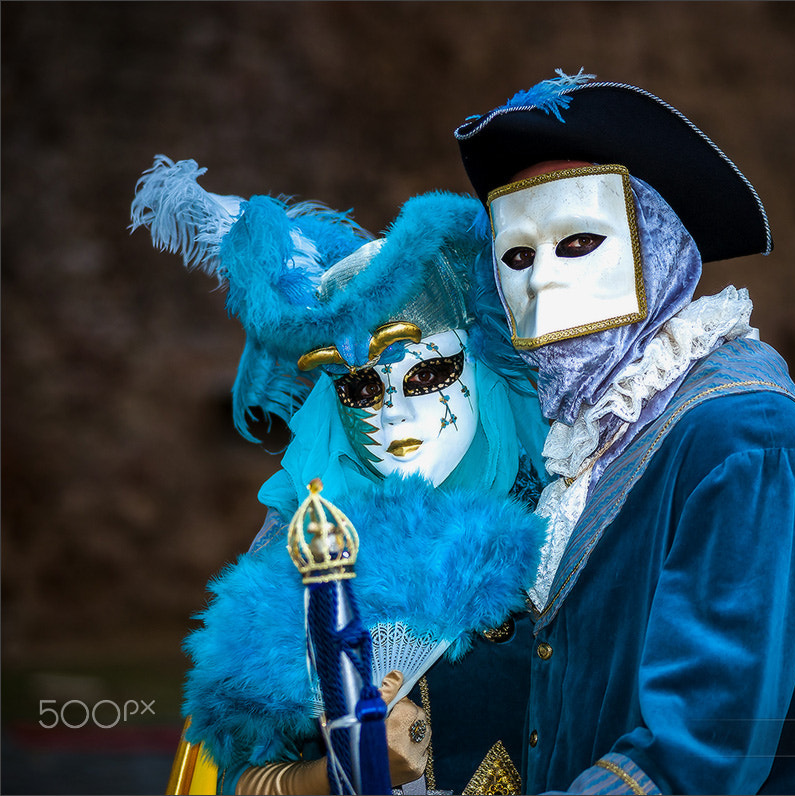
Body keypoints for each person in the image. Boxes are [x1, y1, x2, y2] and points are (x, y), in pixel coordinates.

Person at [452, 71, 795, 794]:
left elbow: (699, 751)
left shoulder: (745, 438)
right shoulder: (590, 441)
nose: (541, 281)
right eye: (516, 256)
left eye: (577, 241)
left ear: (657, 244)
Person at [131, 158, 551, 795]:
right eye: (359, 388)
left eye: (427, 376)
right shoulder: (302, 568)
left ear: (484, 377)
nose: (393, 411)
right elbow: (236, 779)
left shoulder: (574, 511)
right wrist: (340, 772)